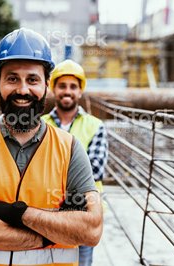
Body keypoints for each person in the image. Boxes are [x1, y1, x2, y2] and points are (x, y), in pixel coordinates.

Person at [0, 28, 103, 266]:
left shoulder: (70, 148)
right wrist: (52, 232)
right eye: (12, 78)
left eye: (32, 79)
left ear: (46, 84)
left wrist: (18, 213)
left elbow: (90, 230)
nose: (22, 90)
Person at [42, 59, 108, 266]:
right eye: (62, 86)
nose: (67, 91)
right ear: (54, 89)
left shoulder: (95, 126)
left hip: (84, 214)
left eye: (73, 86)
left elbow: (95, 170)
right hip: (47, 214)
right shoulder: (40, 125)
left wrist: (54, 170)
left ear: (80, 91)